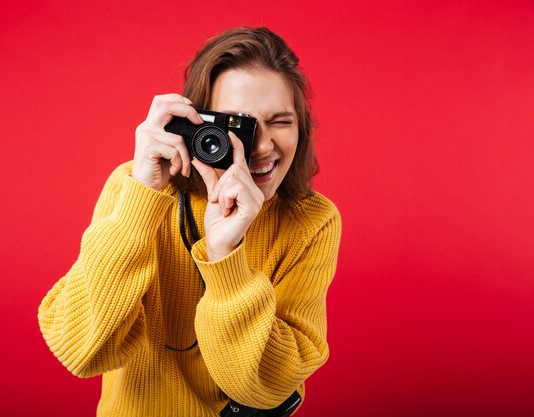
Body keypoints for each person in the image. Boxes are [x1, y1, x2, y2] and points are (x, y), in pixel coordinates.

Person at [38, 26, 341, 417]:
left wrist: (224, 255)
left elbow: (267, 387)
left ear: (301, 127)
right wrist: (141, 200)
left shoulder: (312, 221)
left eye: (281, 122)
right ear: (200, 123)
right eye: (238, 125)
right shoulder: (137, 189)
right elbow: (81, 349)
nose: (263, 146)